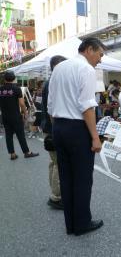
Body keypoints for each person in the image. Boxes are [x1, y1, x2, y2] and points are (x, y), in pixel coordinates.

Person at [48, 37, 104, 236]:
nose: (100, 59)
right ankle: (81, 224)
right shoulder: (87, 69)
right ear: (89, 50)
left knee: (66, 176)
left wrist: (58, 128)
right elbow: (87, 106)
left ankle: (70, 223)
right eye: (100, 54)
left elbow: (50, 104)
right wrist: (95, 137)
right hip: (78, 129)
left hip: (59, 126)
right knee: (82, 178)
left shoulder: (59, 68)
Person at [41, 55, 67, 210]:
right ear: (57, 66)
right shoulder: (54, 82)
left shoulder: (48, 82)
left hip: (48, 128)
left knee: (53, 162)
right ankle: (56, 196)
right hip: (53, 128)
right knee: (58, 163)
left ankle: (54, 193)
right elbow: (54, 110)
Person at [0, 71, 39, 160]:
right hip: (15, 116)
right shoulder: (16, 89)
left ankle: (12, 154)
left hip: (5, 116)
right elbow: (22, 104)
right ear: (14, 79)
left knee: (8, 135)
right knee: (20, 134)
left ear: (4, 79)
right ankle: (27, 152)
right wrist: (25, 114)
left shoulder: (1, 89)